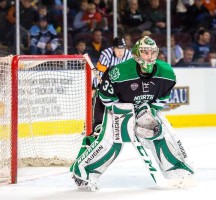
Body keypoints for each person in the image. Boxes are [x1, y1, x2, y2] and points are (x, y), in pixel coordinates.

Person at [70, 36, 195, 191]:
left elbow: (162, 98)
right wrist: (128, 117)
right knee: (112, 142)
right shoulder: (118, 73)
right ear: (136, 54)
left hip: (143, 105)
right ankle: (83, 172)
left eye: (152, 53)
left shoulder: (167, 73)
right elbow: (106, 98)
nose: (149, 57)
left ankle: (177, 170)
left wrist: (145, 113)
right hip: (114, 104)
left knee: (161, 132)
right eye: (145, 52)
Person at [92, 37, 132, 132]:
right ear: (113, 48)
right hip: (103, 82)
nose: (121, 52)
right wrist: (96, 88)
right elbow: (100, 73)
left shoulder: (128, 55)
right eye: (118, 49)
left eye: (122, 49)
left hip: (119, 85)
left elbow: (129, 74)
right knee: (98, 103)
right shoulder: (106, 54)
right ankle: (96, 125)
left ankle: (122, 124)